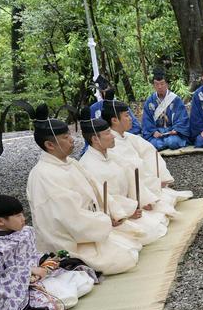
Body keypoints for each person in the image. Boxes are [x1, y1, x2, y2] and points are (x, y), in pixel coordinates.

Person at [25, 105, 140, 276]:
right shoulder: (44, 175)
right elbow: (69, 217)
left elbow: (98, 191)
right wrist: (104, 221)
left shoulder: (71, 163)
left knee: (134, 244)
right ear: (50, 144)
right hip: (71, 242)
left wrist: (113, 213)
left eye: (70, 135)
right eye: (65, 137)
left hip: (92, 228)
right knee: (124, 259)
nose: (72, 140)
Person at [79, 115, 168, 246]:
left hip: (128, 207)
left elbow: (132, 178)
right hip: (115, 218)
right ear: (95, 139)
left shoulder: (113, 156)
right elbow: (96, 202)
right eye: (108, 133)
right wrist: (122, 214)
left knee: (160, 220)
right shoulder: (87, 165)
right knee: (147, 233)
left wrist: (142, 201)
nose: (113, 136)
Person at [108, 97, 194, 213]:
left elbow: (149, 152)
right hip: (135, 190)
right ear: (114, 120)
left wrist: (160, 177)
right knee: (162, 207)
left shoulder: (128, 136)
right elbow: (131, 170)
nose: (131, 119)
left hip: (171, 133)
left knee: (159, 146)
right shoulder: (112, 144)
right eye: (127, 116)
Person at [141, 67, 189, 151]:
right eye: (156, 84)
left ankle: (167, 142)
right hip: (157, 133)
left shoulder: (175, 100)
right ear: (153, 85)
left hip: (172, 133)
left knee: (172, 142)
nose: (159, 87)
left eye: (162, 84)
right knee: (155, 144)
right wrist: (153, 131)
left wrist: (176, 129)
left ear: (167, 84)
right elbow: (146, 120)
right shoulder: (150, 101)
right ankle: (162, 143)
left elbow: (182, 117)